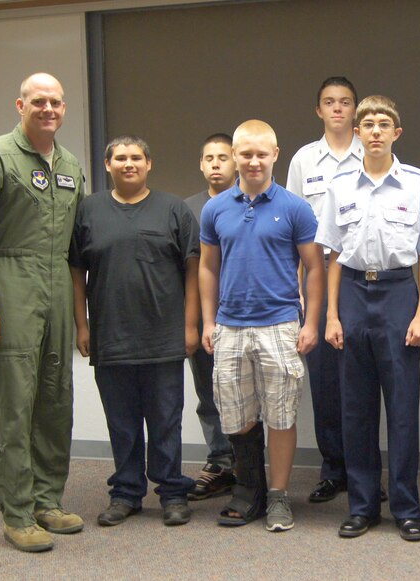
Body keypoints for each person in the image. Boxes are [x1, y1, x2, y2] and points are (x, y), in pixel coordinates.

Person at [315, 95, 420, 542]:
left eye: (383, 124)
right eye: (367, 124)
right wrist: (332, 315)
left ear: (397, 132)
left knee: (402, 407)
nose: (375, 131)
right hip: (353, 292)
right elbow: (333, 255)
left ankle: (406, 506)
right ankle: (362, 505)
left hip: (398, 293)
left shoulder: (417, 184)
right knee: (355, 407)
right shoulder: (340, 185)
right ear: (356, 132)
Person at [0, 73, 85, 552]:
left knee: (55, 395)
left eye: (56, 101)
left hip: (55, 284)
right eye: (38, 101)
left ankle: (46, 500)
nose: (48, 108)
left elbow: (73, 243)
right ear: (20, 105)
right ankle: (15, 512)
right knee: (12, 402)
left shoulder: (71, 163)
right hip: (8, 281)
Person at [200, 120, 324, 532]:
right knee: (237, 417)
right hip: (231, 328)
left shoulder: (295, 207)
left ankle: (278, 496)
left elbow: (314, 268)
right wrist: (208, 321)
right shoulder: (215, 209)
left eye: (261, 154)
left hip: (280, 326)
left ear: (275, 155)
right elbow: (207, 268)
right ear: (235, 156)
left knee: (281, 416)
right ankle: (248, 491)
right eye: (246, 154)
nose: (254, 161)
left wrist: (311, 323)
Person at [70, 136, 199, 528]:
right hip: (111, 336)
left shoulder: (173, 209)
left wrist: (190, 326)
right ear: (107, 165)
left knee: (165, 420)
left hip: (163, 336)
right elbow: (76, 270)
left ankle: (172, 493)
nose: (129, 163)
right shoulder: (89, 210)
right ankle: (125, 492)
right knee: (122, 422)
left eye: (136, 157)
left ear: (149, 163)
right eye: (120, 158)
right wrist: (82, 323)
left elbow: (194, 270)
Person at [286, 77, 364, 503]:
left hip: (356, 275)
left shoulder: (371, 150)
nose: (337, 109)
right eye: (329, 103)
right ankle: (333, 468)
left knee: (361, 375)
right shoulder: (303, 159)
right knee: (325, 379)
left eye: (345, 102)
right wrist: (297, 287)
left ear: (355, 109)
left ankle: (364, 468)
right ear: (319, 110)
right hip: (315, 277)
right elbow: (295, 227)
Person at [184, 133, 237, 501]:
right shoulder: (187, 209)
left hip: (245, 316)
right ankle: (220, 461)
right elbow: (187, 269)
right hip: (205, 318)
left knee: (246, 395)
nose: (215, 163)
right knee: (208, 393)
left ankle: (247, 465)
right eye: (209, 158)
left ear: (235, 161)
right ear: (201, 165)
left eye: (223, 157)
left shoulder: (249, 201)